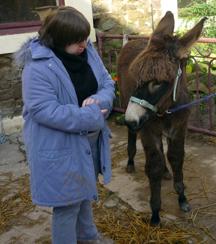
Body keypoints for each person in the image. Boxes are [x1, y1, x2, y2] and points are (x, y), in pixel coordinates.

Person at [13, 6, 116, 244]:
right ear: (59, 39)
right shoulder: (37, 66)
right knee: (67, 205)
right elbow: (43, 110)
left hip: (88, 140)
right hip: (58, 146)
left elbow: (107, 84)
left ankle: (88, 237)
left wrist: (99, 101)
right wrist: (92, 113)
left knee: (83, 193)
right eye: (76, 40)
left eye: (84, 38)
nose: (83, 44)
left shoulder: (87, 51)